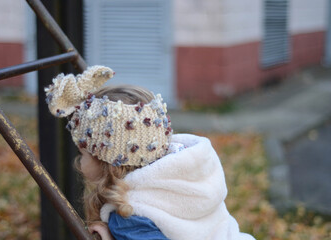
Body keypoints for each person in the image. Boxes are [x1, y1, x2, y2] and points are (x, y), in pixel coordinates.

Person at [45, 65, 255, 240]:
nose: (77, 162)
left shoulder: (130, 216)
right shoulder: (187, 174)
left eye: (83, 154)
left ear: (107, 161)